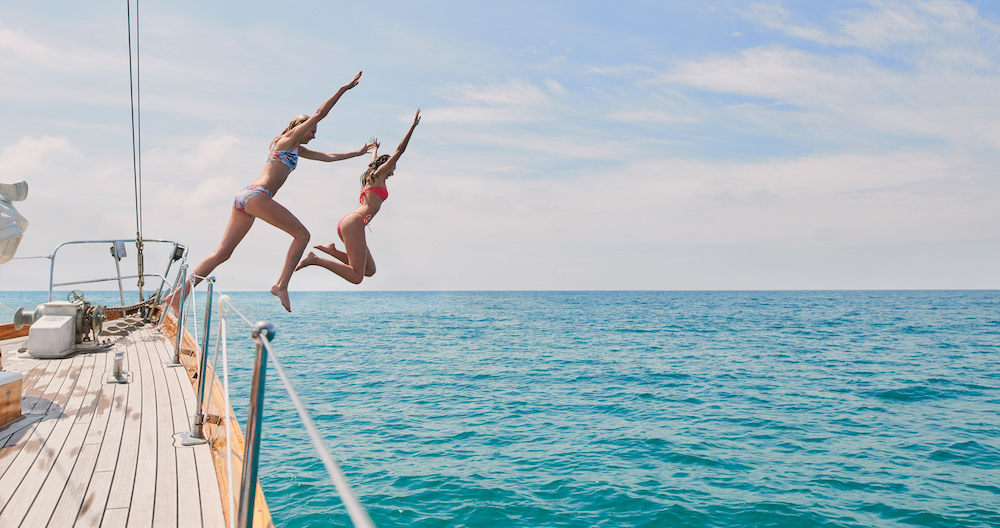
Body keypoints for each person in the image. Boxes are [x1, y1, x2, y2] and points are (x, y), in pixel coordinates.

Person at [166, 71, 372, 312]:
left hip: (245, 197)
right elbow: (320, 113)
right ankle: (281, 285)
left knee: (222, 253)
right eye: (312, 131)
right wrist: (343, 89)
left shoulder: (295, 148)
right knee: (303, 236)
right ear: (300, 126)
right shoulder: (288, 139)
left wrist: (356, 154)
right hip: (257, 196)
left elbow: (327, 157)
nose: (314, 135)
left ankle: (178, 296)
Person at [295, 109, 420, 284]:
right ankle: (315, 259)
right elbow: (399, 150)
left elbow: (373, 162)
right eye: (393, 167)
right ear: (386, 165)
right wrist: (412, 128)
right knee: (356, 277)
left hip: (351, 222)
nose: (394, 171)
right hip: (354, 223)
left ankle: (332, 251)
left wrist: (375, 149)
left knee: (370, 270)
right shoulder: (380, 174)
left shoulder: (372, 175)